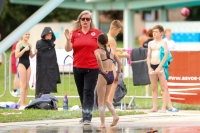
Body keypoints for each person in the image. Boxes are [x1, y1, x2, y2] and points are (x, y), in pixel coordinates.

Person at [64, 10, 102, 124]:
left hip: (93, 67)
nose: (85, 21)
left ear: (90, 21)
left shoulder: (97, 33)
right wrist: (67, 39)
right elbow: (68, 49)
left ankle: (87, 116)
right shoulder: (74, 33)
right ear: (80, 20)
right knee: (81, 92)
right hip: (77, 66)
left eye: (87, 19)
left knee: (88, 91)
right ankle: (85, 113)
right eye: (83, 19)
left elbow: (103, 47)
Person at [94, 33, 122, 128]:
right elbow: (120, 63)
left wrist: (101, 69)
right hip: (111, 75)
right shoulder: (112, 50)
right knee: (106, 99)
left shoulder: (97, 51)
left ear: (98, 42)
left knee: (100, 101)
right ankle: (115, 115)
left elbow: (98, 59)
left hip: (103, 75)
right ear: (107, 41)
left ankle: (102, 124)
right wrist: (117, 75)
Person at [146, 25, 168, 113]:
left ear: (161, 33)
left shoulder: (164, 43)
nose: (154, 33)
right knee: (154, 87)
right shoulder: (150, 43)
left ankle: (163, 107)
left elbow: (166, 55)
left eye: (156, 32)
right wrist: (149, 67)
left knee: (163, 87)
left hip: (161, 65)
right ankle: (154, 107)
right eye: (153, 31)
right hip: (152, 65)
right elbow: (148, 56)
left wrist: (160, 67)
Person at [107, 20, 130, 103]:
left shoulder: (105, 37)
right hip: (110, 63)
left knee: (105, 85)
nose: (118, 33)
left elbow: (107, 49)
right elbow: (113, 55)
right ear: (114, 29)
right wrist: (125, 55)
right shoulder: (112, 40)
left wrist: (119, 49)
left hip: (103, 63)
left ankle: (104, 104)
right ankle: (109, 103)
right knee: (113, 84)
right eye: (119, 31)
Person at [35, 27, 61, 98]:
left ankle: (47, 99)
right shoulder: (39, 43)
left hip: (50, 67)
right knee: (41, 84)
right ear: (44, 35)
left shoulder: (52, 44)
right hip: (42, 68)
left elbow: (53, 57)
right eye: (47, 35)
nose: (49, 37)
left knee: (49, 83)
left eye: (50, 35)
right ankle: (39, 99)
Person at [15, 31, 37, 110]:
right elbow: (16, 55)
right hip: (21, 64)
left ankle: (25, 103)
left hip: (28, 64)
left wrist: (35, 53)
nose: (27, 36)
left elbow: (31, 56)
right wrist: (24, 50)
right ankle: (22, 104)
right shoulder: (19, 44)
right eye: (26, 34)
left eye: (29, 34)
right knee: (22, 84)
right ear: (22, 35)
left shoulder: (29, 44)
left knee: (26, 85)